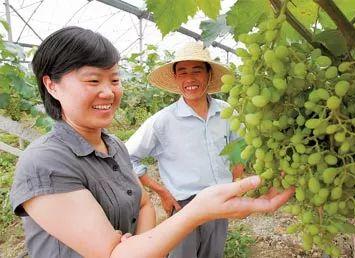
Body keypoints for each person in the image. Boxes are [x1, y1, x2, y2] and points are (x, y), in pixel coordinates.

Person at [10, 26, 294, 258]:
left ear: (209, 76)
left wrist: (135, 246)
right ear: (52, 85)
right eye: (93, 81)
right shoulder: (44, 163)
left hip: (216, 204)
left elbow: (143, 206)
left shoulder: (114, 146)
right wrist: (178, 207)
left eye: (115, 79)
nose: (108, 92)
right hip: (189, 206)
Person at [124, 41, 247, 258]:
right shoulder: (162, 121)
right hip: (183, 206)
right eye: (182, 72)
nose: (190, 79)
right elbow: (127, 157)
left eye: (197, 71)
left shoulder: (226, 112)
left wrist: (237, 168)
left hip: (220, 201)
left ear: (209, 76)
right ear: (176, 78)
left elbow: (239, 141)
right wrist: (160, 191)